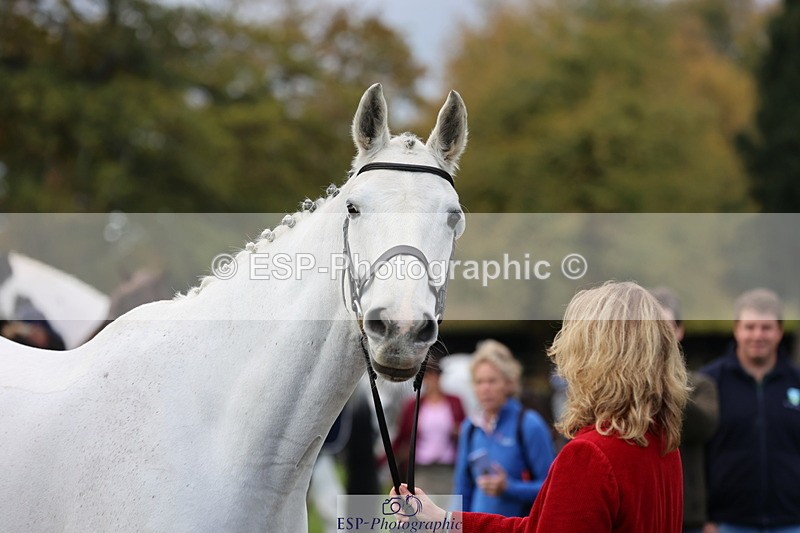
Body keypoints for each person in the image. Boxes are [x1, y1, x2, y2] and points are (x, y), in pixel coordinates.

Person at [393, 281, 689, 532]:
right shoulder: (662, 443)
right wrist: (443, 520)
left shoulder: (590, 455)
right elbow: (538, 526)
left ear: (594, 359)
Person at [699, 288, 800, 533]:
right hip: (726, 524)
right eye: (750, 327)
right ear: (736, 329)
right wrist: (704, 519)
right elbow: (696, 456)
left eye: (766, 328)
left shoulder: (796, 381)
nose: (757, 335)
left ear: (779, 331)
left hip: (792, 522)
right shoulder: (708, 383)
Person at [452, 339, 554, 517]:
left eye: (492, 381)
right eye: (479, 382)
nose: (485, 389)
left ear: (509, 384)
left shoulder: (529, 424)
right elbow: (462, 488)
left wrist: (509, 487)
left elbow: (550, 488)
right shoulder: (470, 427)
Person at [651, 286, 719, 533]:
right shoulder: (626, 385)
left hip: (687, 515)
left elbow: (703, 427)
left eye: (665, 325)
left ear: (679, 331)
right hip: (641, 509)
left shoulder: (701, 385)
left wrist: (666, 383)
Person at [393, 356, 466, 495]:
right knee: (421, 511)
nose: (430, 379)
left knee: (449, 511)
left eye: (433, 375)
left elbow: (466, 430)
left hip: (448, 468)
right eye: (426, 376)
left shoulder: (454, 402)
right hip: (421, 468)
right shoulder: (412, 405)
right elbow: (401, 435)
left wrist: (458, 432)